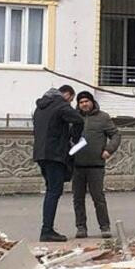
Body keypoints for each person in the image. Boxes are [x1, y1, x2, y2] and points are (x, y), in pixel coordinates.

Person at [32, 85, 84, 242]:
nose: (70, 102)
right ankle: (47, 230)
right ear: (67, 94)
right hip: (55, 154)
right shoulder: (61, 105)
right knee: (54, 192)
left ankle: (47, 228)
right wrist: (74, 139)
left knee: (51, 191)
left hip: (41, 154)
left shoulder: (39, 108)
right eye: (71, 99)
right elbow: (79, 119)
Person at [73, 91, 120, 239]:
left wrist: (109, 150)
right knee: (78, 198)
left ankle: (104, 227)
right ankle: (81, 227)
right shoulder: (73, 117)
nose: (84, 104)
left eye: (86, 101)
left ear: (92, 101)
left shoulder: (103, 117)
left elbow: (116, 135)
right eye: (81, 102)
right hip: (77, 164)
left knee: (98, 198)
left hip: (96, 166)